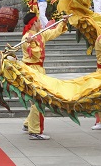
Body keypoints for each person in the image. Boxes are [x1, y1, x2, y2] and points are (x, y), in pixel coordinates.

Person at [21, 12, 67, 140]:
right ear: (33, 23)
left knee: (37, 100)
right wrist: (31, 43)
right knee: (38, 100)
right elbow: (35, 54)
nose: (40, 23)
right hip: (31, 71)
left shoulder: (40, 34)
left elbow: (54, 33)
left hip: (39, 70)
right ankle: (35, 131)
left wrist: (63, 22)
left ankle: (28, 124)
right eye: (38, 21)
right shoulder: (26, 38)